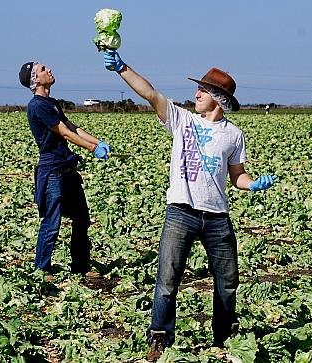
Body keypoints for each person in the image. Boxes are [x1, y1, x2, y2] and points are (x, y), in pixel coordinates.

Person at [103, 51, 277, 361]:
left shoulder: (234, 135)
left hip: (217, 217)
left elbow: (237, 175)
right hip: (180, 212)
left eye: (204, 90)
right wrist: (122, 68)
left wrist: (252, 184)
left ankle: (224, 334)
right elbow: (150, 93)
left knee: (227, 281)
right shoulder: (182, 120)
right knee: (167, 279)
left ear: (219, 98)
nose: (196, 94)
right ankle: (160, 336)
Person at [18, 61, 111, 277]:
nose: (48, 69)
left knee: (81, 218)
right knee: (52, 222)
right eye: (42, 70)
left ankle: (80, 265)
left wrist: (98, 142)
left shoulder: (51, 102)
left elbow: (72, 127)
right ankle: (42, 269)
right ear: (35, 80)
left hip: (67, 168)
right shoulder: (37, 105)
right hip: (52, 170)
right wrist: (92, 148)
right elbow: (64, 133)